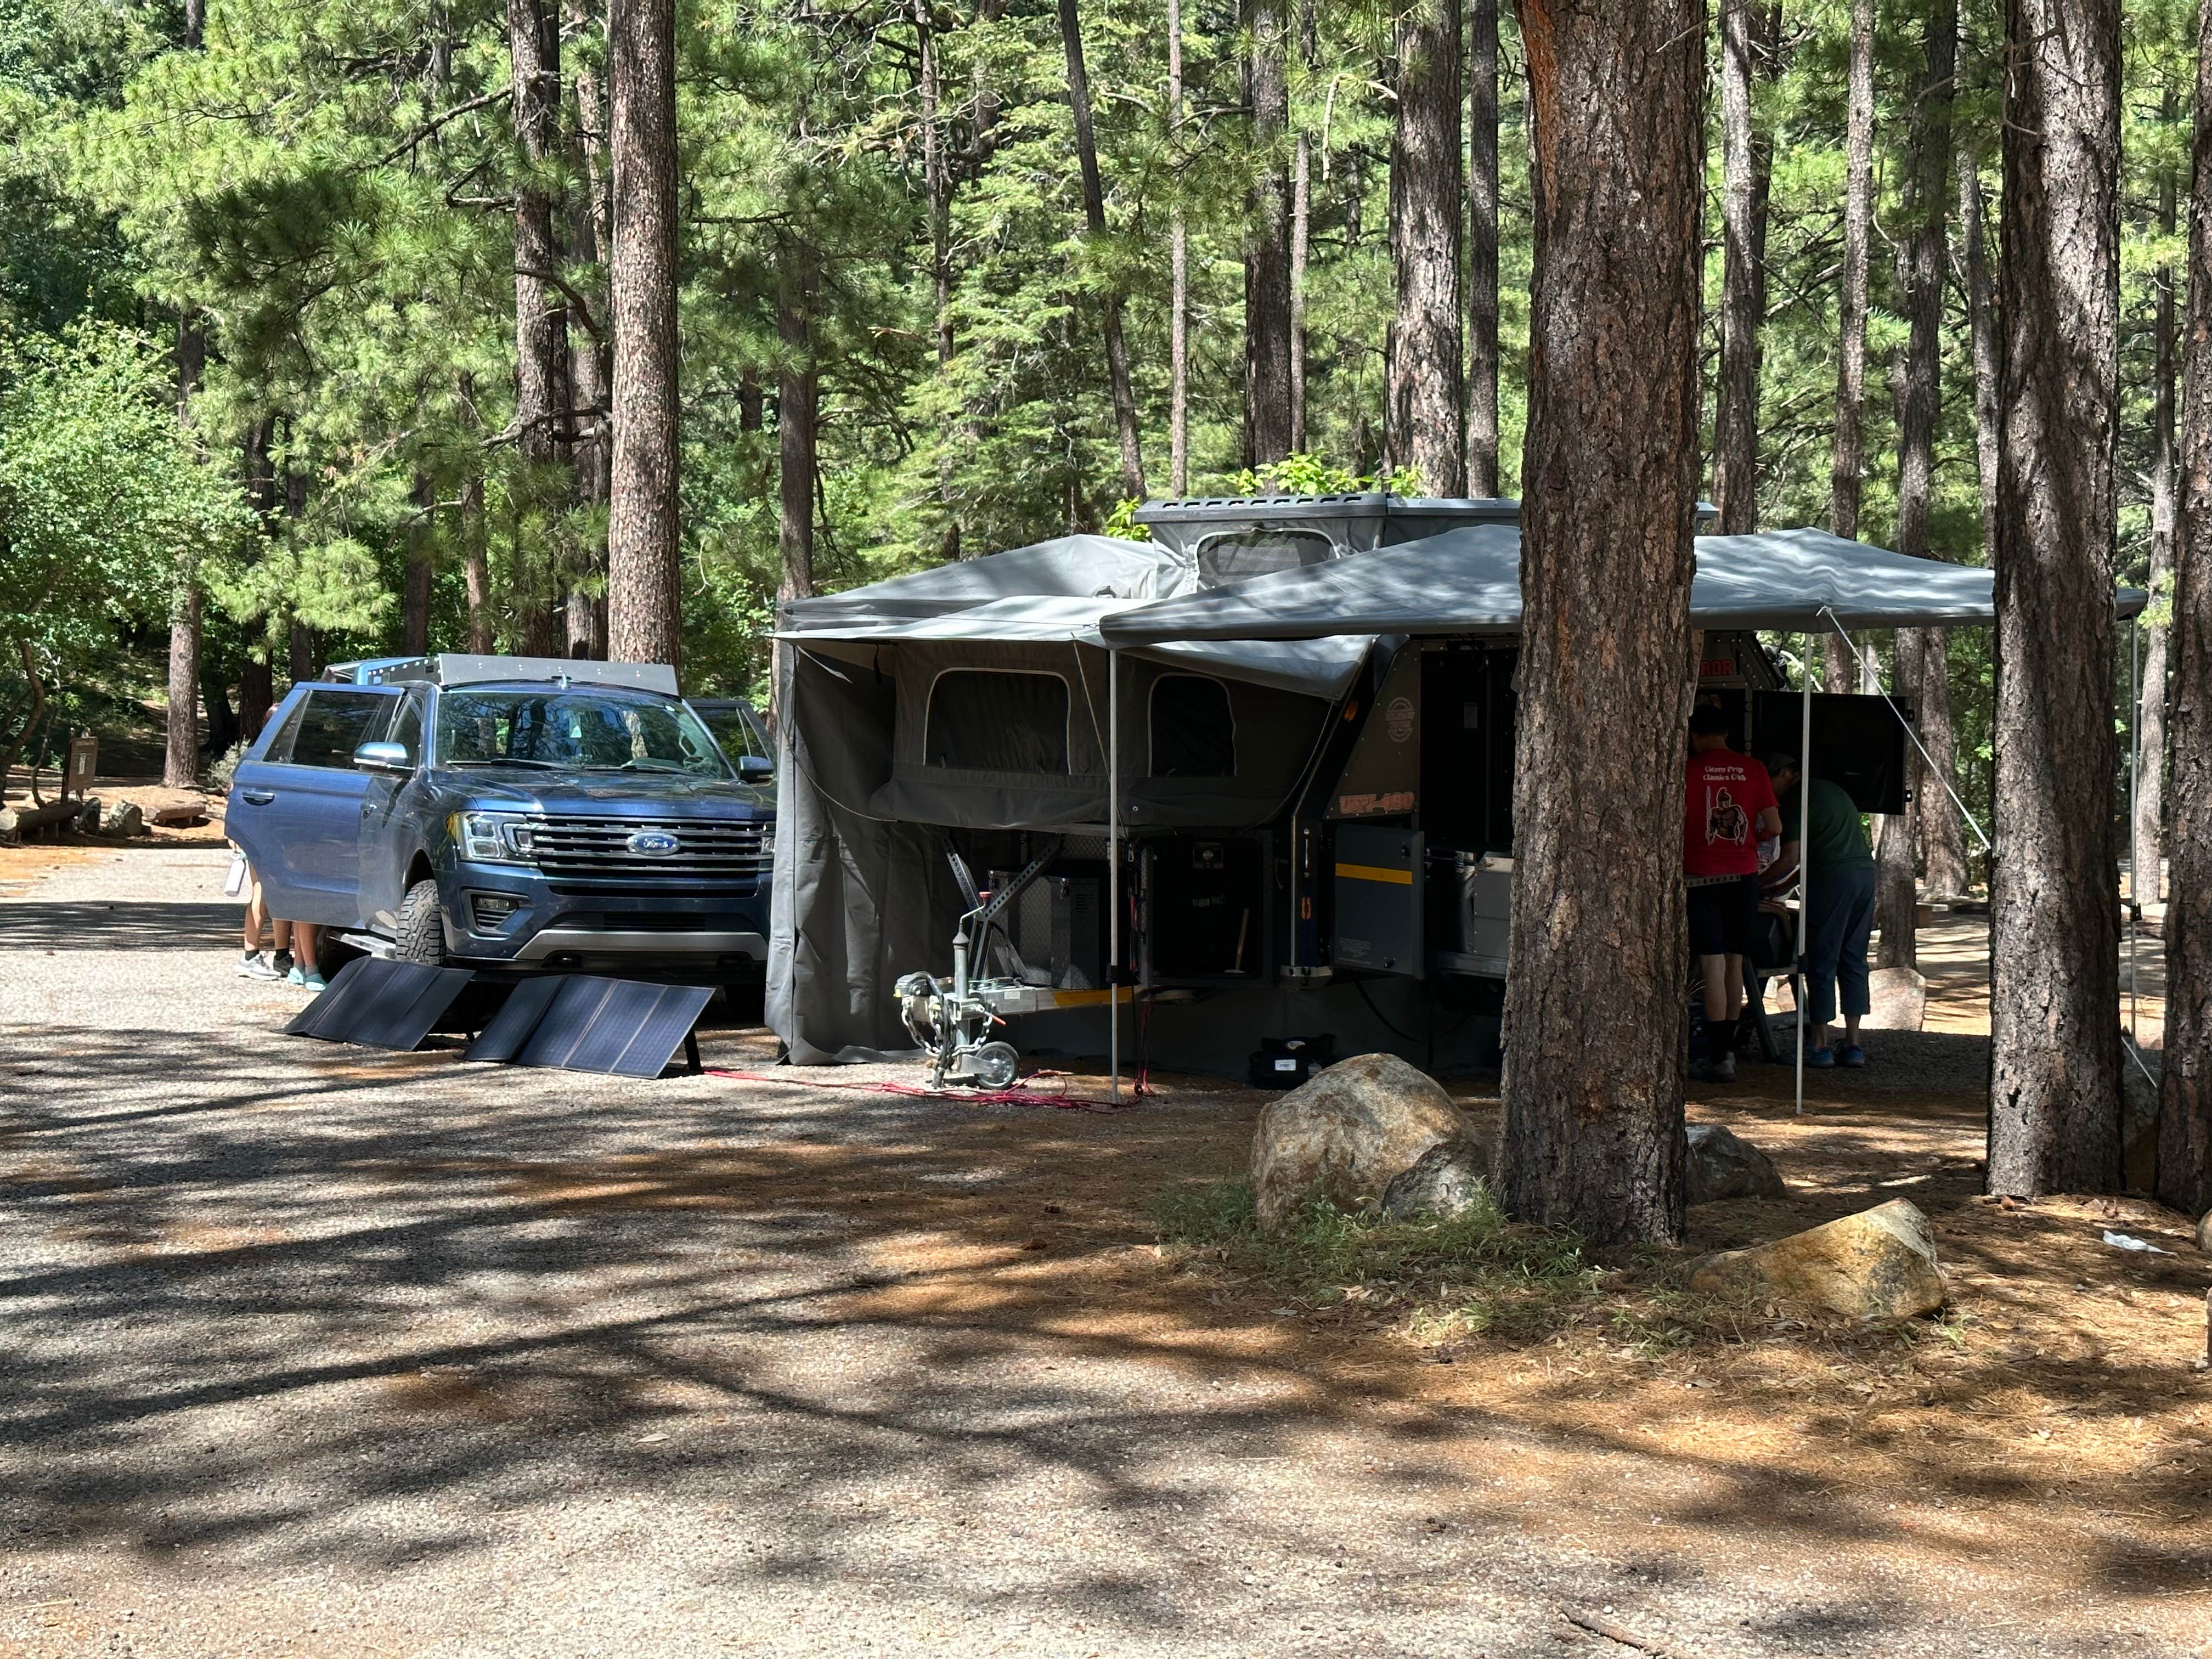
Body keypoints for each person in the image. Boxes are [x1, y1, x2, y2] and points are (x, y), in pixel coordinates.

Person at [1684, 705, 1782, 1083]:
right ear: (1726, 733)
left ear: (1695, 736)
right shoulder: (1754, 769)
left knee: (1712, 965)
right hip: (1742, 876)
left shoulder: (1689, 770)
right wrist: (1747, 846)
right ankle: (1727, 1057)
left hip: (1700, 876)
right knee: (1735, 962)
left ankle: (1717, 1055)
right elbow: (1774, 826)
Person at [1760, 751, 1874, 1069]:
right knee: (1853, 958)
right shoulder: (1832, 790)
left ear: (1785, 774)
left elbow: (1790, 858)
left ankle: (1819, 1045)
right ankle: (1853, 1045)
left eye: (1769, 780)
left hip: (1833, 880)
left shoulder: (1797, 800)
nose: (1768, 789)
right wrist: (1780, 889)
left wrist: (1753, 885)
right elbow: (1814, 856)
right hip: (1864, 875)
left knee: (1822, 957)